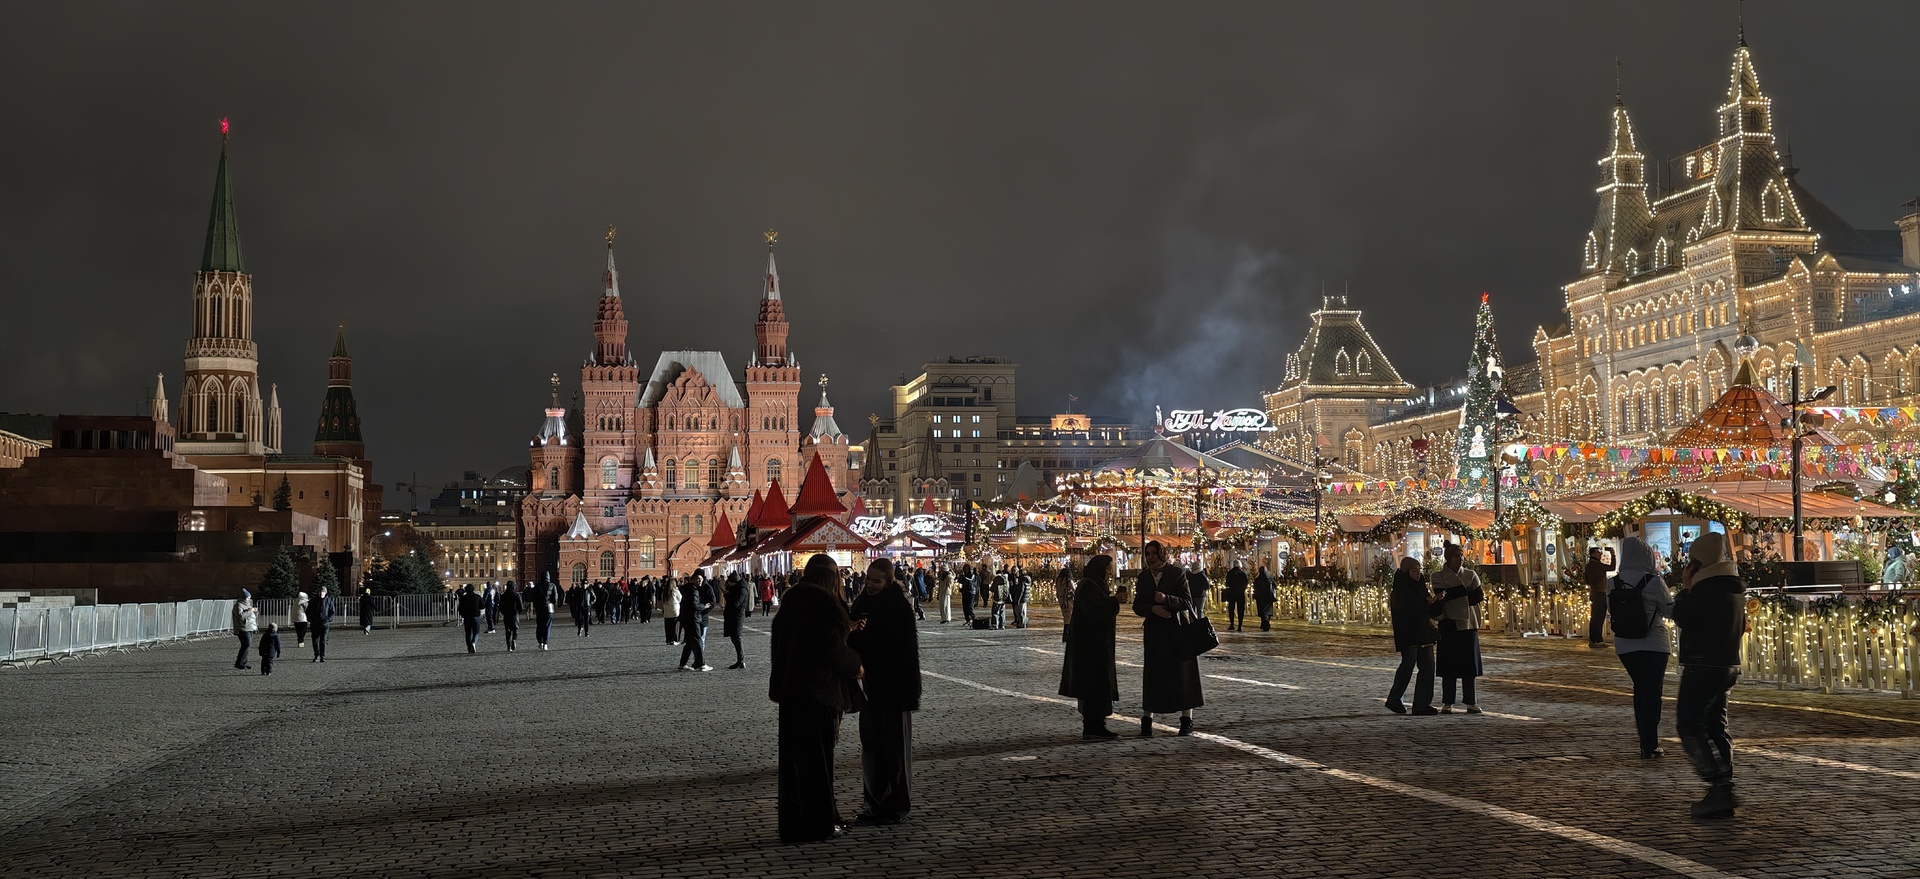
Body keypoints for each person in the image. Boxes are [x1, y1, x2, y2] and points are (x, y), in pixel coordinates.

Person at [769, 553, 864, 844]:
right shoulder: (824, 604)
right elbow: (829, 650)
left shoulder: (793, 599)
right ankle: (820, 824)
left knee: (794, 763)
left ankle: (794, 824)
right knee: (818, 763)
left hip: (791, 691)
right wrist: (855, 664)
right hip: (818, 693)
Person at [1670, 530, 1747, 819]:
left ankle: (1717, 783)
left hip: (1702, 664)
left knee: (1689, 724)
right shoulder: (1733, 587)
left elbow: (1682, 615)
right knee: (1716, 724)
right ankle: (1723, 785)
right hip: (1727, 663)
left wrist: (1686, 588)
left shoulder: (1705, 589)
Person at [847, 558, 922, 825]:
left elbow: (898, 651)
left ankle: (897, 805)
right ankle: (875, 802)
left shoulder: (897, 606)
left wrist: (863, 638)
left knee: (895, 749)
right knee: (872, 747)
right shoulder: (861, 603)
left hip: (894, 687)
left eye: (876, 581)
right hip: (870, 687)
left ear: (889, 582)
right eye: (868, 579)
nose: (870, 584)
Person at [1611, 537, 1674, 759]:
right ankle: (1649, 743)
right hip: (1654, 644)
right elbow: (1669, 611)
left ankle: (1645, 740)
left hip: (1625, 645)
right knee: (1652, 693)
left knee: (1640, 690)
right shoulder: (1653, 581)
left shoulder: (1613, 582)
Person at [1132, 540, 1203, 736]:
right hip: (1155, 632)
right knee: (1153, 674)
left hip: (1177, 629)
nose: (1151, 557)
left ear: (1162, 554)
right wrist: (1153, 609)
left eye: (1154, 553)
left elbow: (1187, 602)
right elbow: (1138, 605)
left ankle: (1186, 720)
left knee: (1183, 674)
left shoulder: (1176, 573)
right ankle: (1147, 721)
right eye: (1148, 554)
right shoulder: (1144, 577)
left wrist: (1167, 599)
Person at [1059, 554, 1124, 738]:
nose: (1110, 573)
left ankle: (1096, 724)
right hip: (1091, 647)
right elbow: (1095, 610)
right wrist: (1115, 601)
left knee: (1097, 686)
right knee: (1094, 687)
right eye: (1108, 569)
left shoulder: (1093, 584)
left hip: (1095, 645)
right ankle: (1093, 726)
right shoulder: (1089, 586)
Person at [1431, 544, 1484, 713]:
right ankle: (1448, 702)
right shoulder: (1437, 576)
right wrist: (1464, 591)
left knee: (1470, 666)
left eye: (1462, 555)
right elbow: (1442, 595)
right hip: (1449, 622)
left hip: (1468, 623)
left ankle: (1471, 701)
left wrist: (1454, 593)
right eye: (1456, 555)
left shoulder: (1470, 574)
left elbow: (1478, 596)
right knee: (1449, 665)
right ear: (1448, 558)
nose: (1460, 558)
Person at [1384, 557, 1438, 716]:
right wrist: (1426, 604)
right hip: (1408, 633)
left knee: (1428, 666)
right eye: (1414, 570)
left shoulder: (1420, 586)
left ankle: (1422, 704)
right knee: (1408, 665)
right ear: (1406, 571)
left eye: (1419, 570)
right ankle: (1394, 698)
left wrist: (1435, 602)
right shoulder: (1400, 589)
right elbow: (1407, 610)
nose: (1417, 573)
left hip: (1424, 632)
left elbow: (1427, 609)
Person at [679, 573, 714, 671]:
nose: (700, 581)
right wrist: (704, 606)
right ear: (692, 579)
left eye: (701, 579)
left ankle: (683, 664)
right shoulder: (693, 590)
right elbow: (694, 605)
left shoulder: (686, 588)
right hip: (693, 618)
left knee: (689, 641)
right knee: (698, 640)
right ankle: (700, 663)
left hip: (686, 618)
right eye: (698, 579)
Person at [1585, 546, 1616, 648]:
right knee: (1598, 617)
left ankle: (1594, 639)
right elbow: (1612, 567)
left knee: (1595, 617)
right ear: (1593, 554)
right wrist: (1613, 555)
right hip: (1599, 593)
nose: (1600, 554)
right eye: (1598, 552)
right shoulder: (1597, 565)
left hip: (1595, 593)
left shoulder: (1590, 565)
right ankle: (1597, 639)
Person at [723, 571, 749, 669]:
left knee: (737, 638)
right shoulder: (736, 588)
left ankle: (741, 661)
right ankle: (740, 660)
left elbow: (736, 603)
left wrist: (727, 595)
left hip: (737, 616)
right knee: (734, 638)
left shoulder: (742, 590)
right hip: (732, 616)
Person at [306, 586, 334, 663]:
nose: (321, 593)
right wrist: (310, 619)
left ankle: (322, 656)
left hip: (324, 623)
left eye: (323, 592)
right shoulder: (313, 601)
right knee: (315, 640)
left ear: (325, 593)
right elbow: (308, 611)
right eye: (320, 591)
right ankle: (316, 655)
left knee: (323, 640)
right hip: (315, 623)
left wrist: (328, 619)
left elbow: (332, 612)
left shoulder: (329, 601)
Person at [231, 589, 257, 670]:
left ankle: (244, 662)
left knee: (247, 645)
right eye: (248, 598)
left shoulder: (248, 605)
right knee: (246, 644)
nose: (249, 599)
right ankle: (240, 662)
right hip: (242, 628)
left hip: (250, 627)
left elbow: (251, 615)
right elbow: (241, 616)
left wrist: (255, 612)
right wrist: (251, 610)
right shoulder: (238, 605)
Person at [534, 575, 559, 651]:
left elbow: (534, 597)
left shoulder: (537, 586)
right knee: (547, 626)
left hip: (539, 608)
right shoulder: (552, 585)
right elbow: (555, 598)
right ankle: (545, 643)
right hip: (549, 607)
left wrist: (536, 606)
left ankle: (540, 641)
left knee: (539, 625)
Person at [498, 579, 524, 652]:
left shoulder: (503, 595)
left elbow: (500, 606)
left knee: (508, 630)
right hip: (514, 614)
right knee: (515, 629)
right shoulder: (516, 595)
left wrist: (503, 612)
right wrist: (518, 612)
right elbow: (520, 606)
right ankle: (514, 639)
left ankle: (508, 646)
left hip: (507, 614)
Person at [1222, 562, 1249, 632]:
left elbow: (1227, 583)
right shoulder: (1242, 573)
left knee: (1231, 608)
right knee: (1240, 609)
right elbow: (1246, 582)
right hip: (1240, 593)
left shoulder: (1230, 573)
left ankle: (1232, 623)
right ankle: (1240, 625)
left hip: (1232, 593)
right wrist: (1242, 589)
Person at [457, 584, 484, 654]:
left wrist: (462, 615)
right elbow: (482, 606)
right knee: (476, 632)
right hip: (475, 616)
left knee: (468, 633)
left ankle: (469, 648)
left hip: (467, 617)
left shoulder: (463, 598)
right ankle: (474, 642)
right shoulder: (477, 597)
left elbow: (460, 608)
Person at [1252, 564, 1277, 632]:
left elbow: (1255, 587)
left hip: (1260, 597)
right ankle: (1266, 622)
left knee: (1262, 611)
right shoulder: (1269, 578)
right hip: (1268, 597)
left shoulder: (1258, 579)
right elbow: (1275, 585)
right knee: (1268, 611)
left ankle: (1264, 623)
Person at [1054, 563, 1075, 641]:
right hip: (1068, 600)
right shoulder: (1068, 580)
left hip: (1061, 599)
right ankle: (1068, 634)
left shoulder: (1058, 580)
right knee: (1069, 616)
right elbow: (1073, 589)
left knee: (1065, 616)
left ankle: (1065, 635)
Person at [660, 576, 683, 646]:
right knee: (675, 627)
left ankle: (668, 640)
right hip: (674, 611)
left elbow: (662, 601)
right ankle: (675, 640)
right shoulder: (675, 591)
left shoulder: (664, 592)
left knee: (668, 627)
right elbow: (680, 599)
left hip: (667, 612)